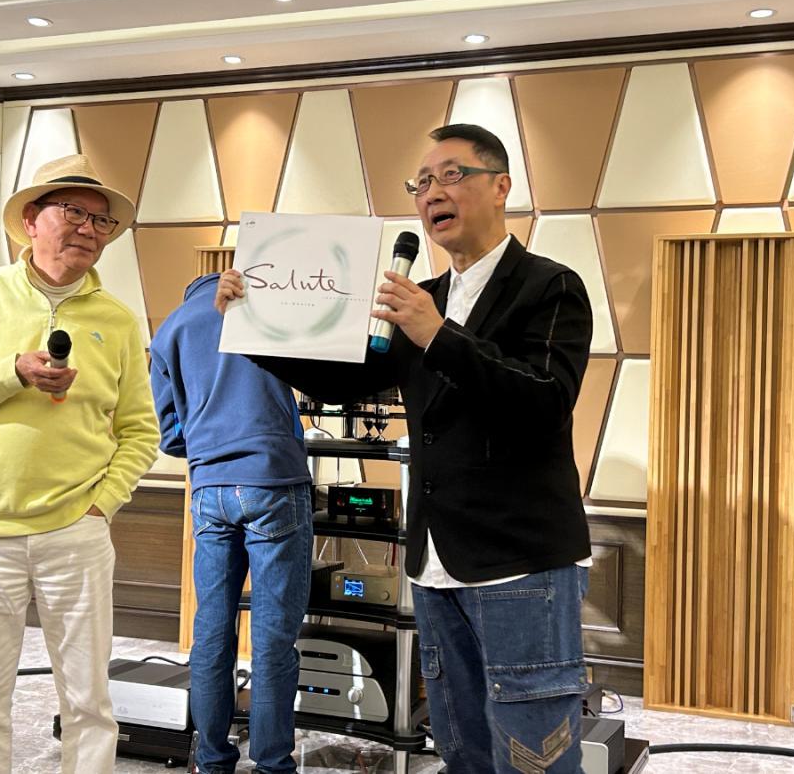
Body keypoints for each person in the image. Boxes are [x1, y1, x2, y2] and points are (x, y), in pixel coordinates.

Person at [215, 124, 594, 773]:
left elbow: (545, 403)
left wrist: (437, 334)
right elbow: (346, 381)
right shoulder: (428, 299)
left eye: (451, 175)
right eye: (421, 183)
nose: (431, 193)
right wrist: (254, 328)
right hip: (434, 562)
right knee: (460, 746)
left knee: (534, 754)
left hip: (522, 563)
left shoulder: (549, 286)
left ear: (501, 187)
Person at [0, 153, 160, 774]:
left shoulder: (118, 321)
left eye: (100, 221)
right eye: (73, 211)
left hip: (76, 532)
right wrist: (12, 372)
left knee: (89, 703)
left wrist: (101, 506)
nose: (88, 229)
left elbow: (140, 431)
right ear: (30, 220)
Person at [150, 271, 312, 774]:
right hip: (273, 480)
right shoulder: (264, 309)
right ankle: (272, 764)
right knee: (273, 639)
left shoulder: (171, 329)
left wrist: (209, 440)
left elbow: (170, 434)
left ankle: (213, 760)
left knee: (211, 632)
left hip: (210, 491)